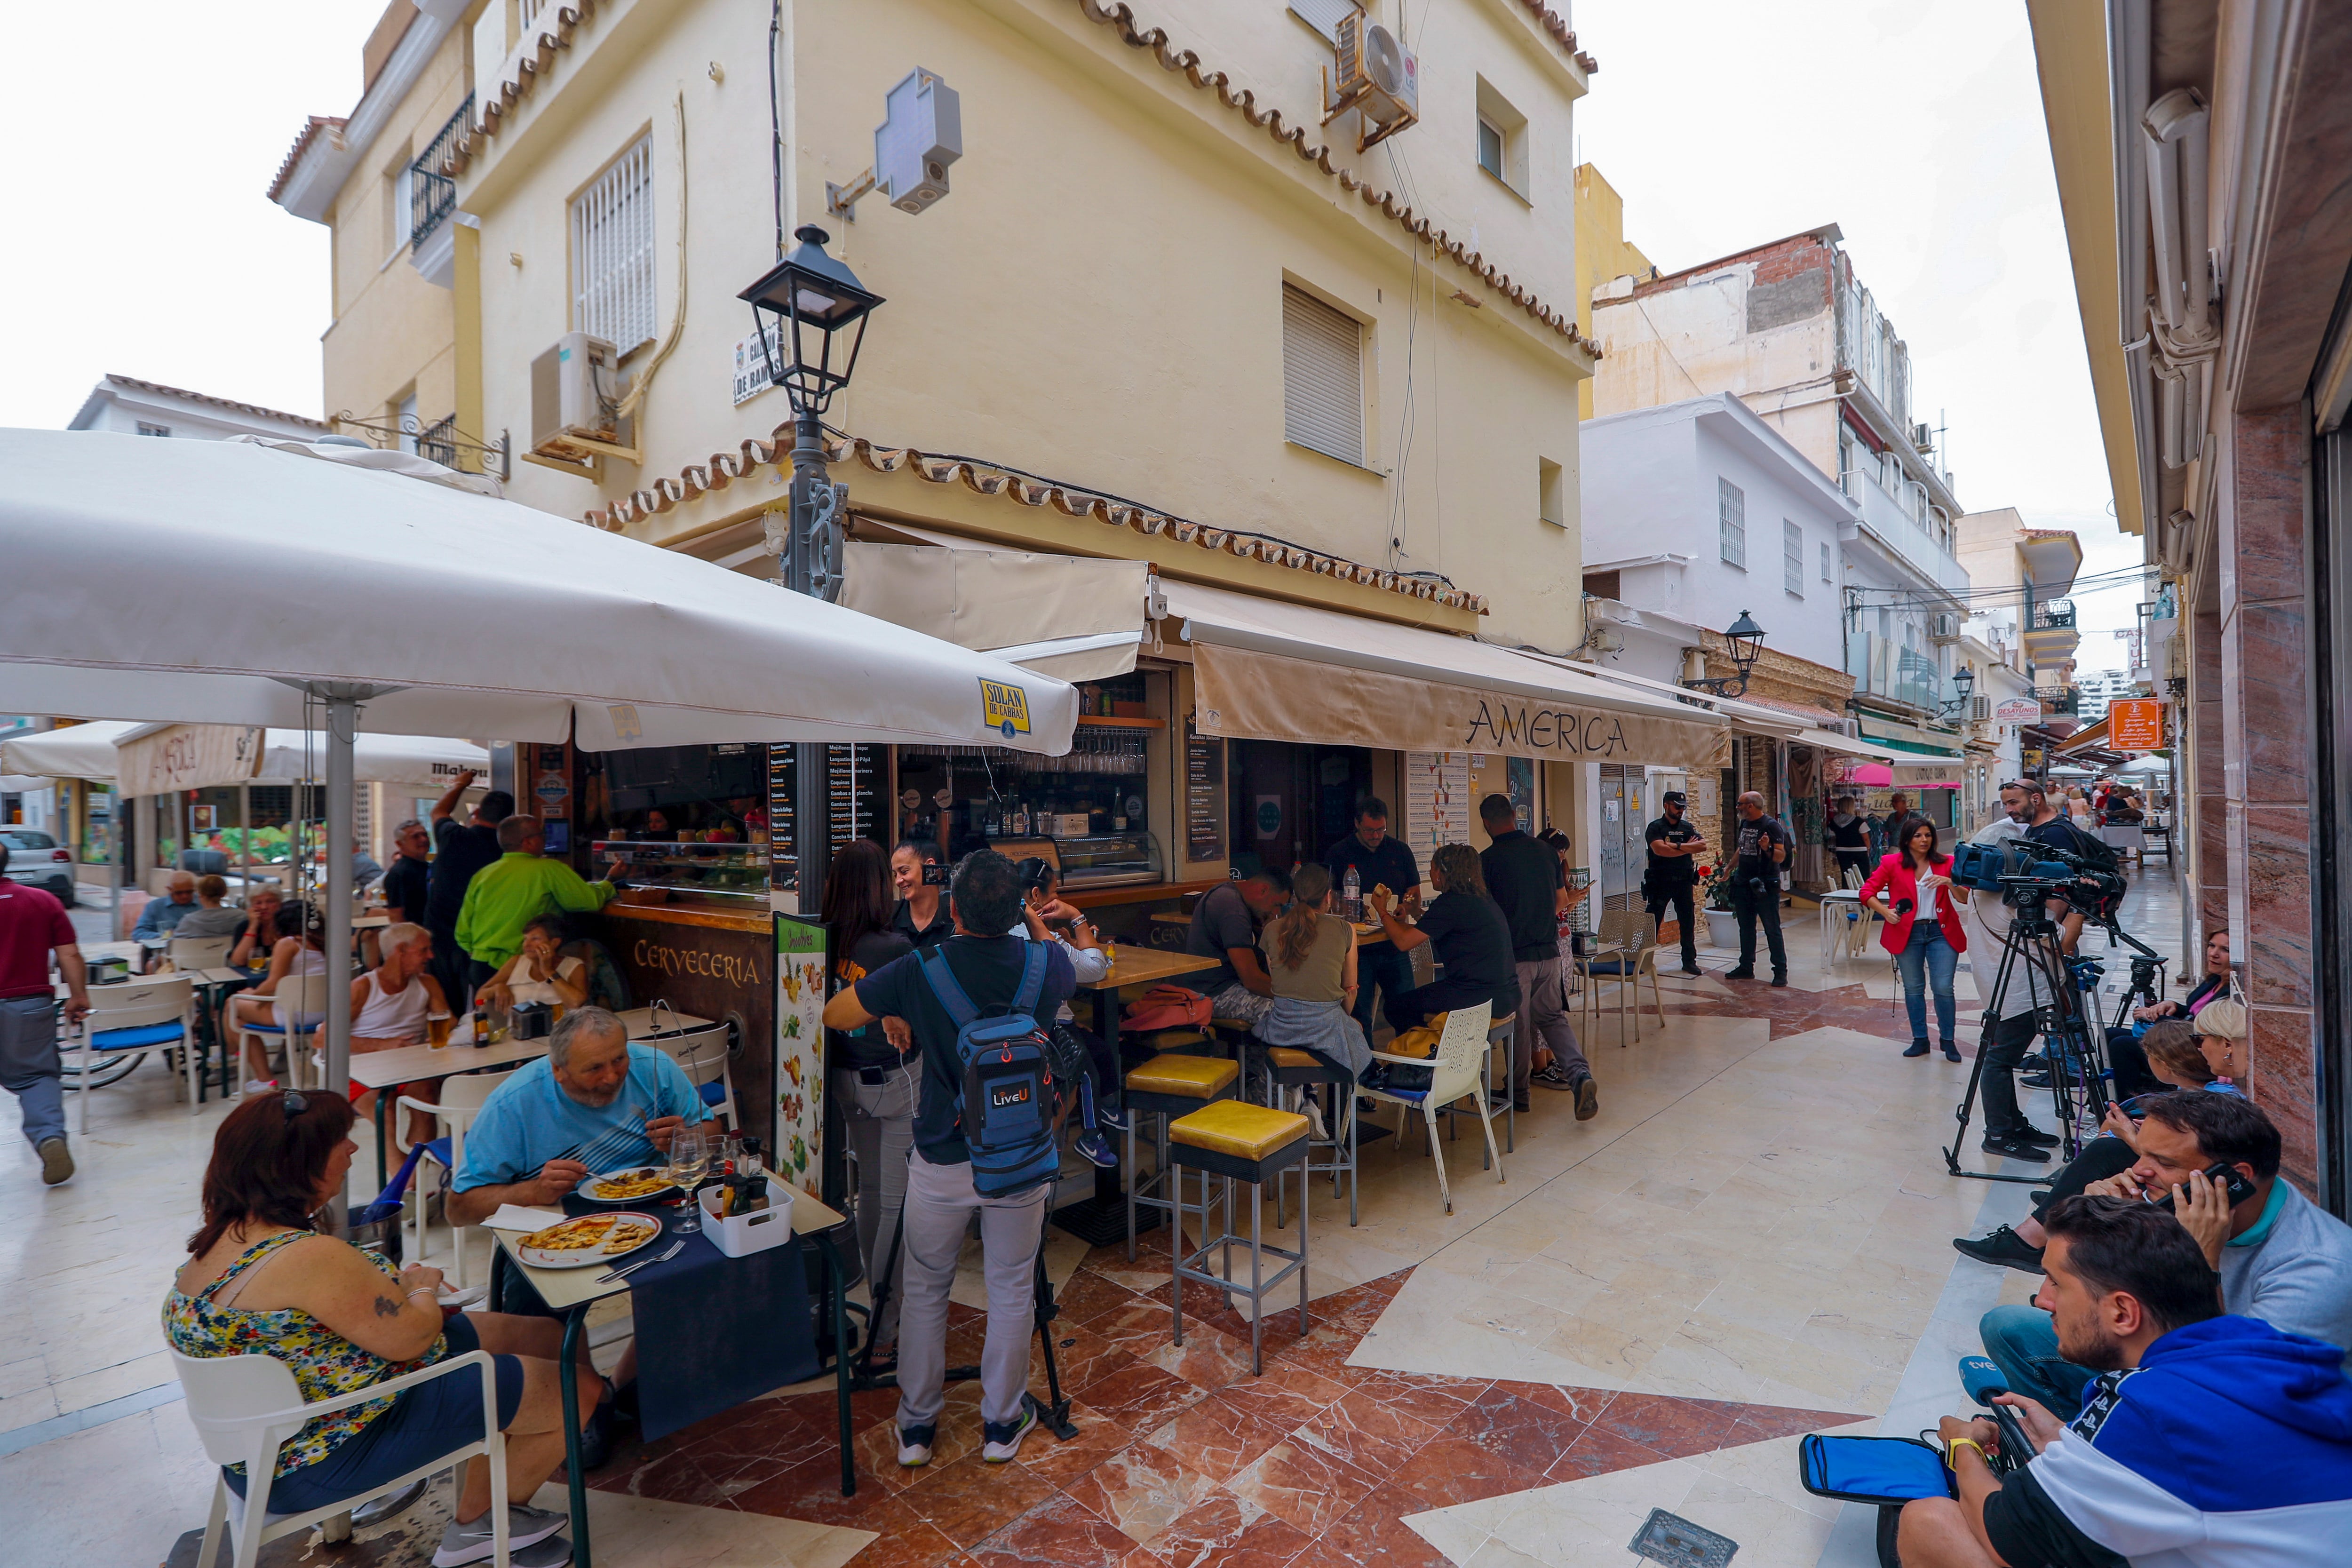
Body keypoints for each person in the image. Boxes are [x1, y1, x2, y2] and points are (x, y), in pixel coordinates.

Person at [166, 1090, 595, 1568]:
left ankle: (543, 1443)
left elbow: (318, 1318)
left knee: (545, 1338)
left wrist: (396, 1289)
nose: (352, 1150)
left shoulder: (219, 1243)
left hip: (273, 1445)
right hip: (325, 1455)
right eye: (340, 1142)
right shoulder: (305, 1255)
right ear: (298, 1163)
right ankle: (481, 1522)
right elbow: (412, 1336)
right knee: (577, 1387)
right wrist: (421, 1288)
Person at [1900, 1195, 2352, 1568]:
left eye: (2057, 1283)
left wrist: (1964, 1446)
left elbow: (2005, 1534)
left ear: (2122, 1312)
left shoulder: (2149, 1410)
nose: (2043, 1300)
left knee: (1929, 1521)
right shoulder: (2253, 1347)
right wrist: (2072, 1443)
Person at [822, 850, 1079, 1468]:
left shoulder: (919, 967)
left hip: (940, 1156)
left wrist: (891, 1011)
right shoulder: (1051, 967)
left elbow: (834, 1013)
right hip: (1021, 1157)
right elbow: (1059, 973)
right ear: (1018, 906)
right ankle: (1000, 1422)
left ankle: (915, 1428)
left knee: (926, 1286)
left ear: (955, 909)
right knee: (1013, 1286)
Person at [1977, 1092, 2352, 1420]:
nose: (2140, 1171)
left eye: (2164, 1162)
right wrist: (2101, 1226)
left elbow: (2222, 1389)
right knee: (2009, 1327)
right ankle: (2081, 1441)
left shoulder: (2319, 1268)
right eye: (2141, 1153)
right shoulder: (2177, 1202)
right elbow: (2112, 1308)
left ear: (2235, 1177)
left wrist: (2202, 1260)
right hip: (2166, 1366)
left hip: (2239, 1410)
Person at [1951, 1019, 2234, 1274]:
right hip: (2188, 1171)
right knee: (2111, 1136)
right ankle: (2064, 1199)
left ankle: (2030, 1240)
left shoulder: (2211, 1102)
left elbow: (2186, 1158)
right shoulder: (2207, 1096)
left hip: (2194, 1185)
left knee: (2107, 1149)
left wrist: (2129, 1136)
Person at [447, 1008, 706, 1229]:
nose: (612, 1077)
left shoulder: (653, 1065)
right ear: (558, 1070)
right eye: (595, 1068)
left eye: (619, 1059)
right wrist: (534, 1191)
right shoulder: (511, 1105)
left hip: (657, 1207)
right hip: (559, 1224)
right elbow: (458, 1210)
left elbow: (713, 1129)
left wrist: (687, 1140)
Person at [822, 839, 917, 1369]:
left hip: (844, 1080)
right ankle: (885, 1329)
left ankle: (873, 1303)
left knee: (870, 1192)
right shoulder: (893, 947)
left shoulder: (820, 937)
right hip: (894, 1082)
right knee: (894, 1206)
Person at [1957, 780, 2084, 1162]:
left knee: (2000, 1058)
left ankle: (2012, 1123)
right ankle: (1998, 1132)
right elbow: (2059, 941)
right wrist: (2079, 907)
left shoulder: (1984, 891)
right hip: (2019, 989)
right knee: (1998, 1061)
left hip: (2005, 985)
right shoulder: (2010, 896)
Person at [1363, 844, 1518, 1092]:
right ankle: (1434, 1059)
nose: (1431, 873)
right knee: (1417, 1003)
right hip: (1505, 994)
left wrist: (1382, 911)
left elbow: (1403, 942)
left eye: (1433, 868)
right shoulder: (1478, 897)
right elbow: (1437, 927)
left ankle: (1421, 1069)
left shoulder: (1452, 902)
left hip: (1476, 996)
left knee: (1396, 1006)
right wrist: (1415, 912)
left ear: (1442, 872)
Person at [1479, 794, 1595, 1119]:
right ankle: (1580, 1075)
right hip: (1550, 953)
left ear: (1487, 824)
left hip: (1516, 959)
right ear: (1515, 816)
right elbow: (1561, 902)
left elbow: (1487, 914)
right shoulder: (1546, 851)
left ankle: (1519, 1093)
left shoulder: (1487, 860)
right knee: (1552, 1018)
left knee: (1518, 1025)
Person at [453, 815, 617, 997]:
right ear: (528, 842)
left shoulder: (483, 874)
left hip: (481, 968)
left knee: (490, 1021)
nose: (546, 839)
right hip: (525, 966)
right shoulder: (549, 869)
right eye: (542, 834)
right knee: (536, 1021)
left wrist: (478, 952)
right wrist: (610, 881)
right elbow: (589, 901)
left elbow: (462, 932)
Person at [0, 842, 86, 1186]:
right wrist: (79, 995)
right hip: (29, 1005)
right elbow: (70, 955)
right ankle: (50, 1136)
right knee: (37, 1077)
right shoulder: (42, 901)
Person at [1255, 863, 1371, 1103]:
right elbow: (1350, 992)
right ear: (1329, 896)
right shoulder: (1346, 929)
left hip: (1282, 1028)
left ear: (1296, 895)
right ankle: (1317, 1107)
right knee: (1352, 1030)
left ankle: (1302, 1096)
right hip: (1326, 1030)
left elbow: (1279, 984)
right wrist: (1345, 1017)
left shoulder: (1271, 930)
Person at [1859, 815, 1968, 1061]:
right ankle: (1920, 1039)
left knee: (1943, 987)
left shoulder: (1947, 863)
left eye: (1928, 835)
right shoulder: (1891, 863)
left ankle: (1948, 1040)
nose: (1924, 840)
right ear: (1907, 840)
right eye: (1918, 836)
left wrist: (1950, 883)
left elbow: (1965, 897)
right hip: (1907, 933)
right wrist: (1886, 912)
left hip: (1941, 931)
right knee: (1914, 988)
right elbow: (1867, 892)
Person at [1325, 799, 1421, 1046]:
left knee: (1407, 1008)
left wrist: (1406, 906)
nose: (1376, 836)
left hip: (1393, 942)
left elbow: (1413, 893)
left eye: (1381, 830)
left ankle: (1409, 1065)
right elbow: (1328, 900)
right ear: (1357, 825)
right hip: (1357, 949)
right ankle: (1365, 1071)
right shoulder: (1339, 852)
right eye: (1369, 830)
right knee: (1360, 1013)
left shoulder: (1400, 851)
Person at [349, 922, 452, 1147]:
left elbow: (447, 1020)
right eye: (424, 950)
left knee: (427, 1095)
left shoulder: (427, 983)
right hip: (363, 1071)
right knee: (385, 1110)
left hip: (409, 1067)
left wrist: (448, 1033)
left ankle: (413, 1173)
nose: (431, 956)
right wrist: (382, 1045)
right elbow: (324, 1038)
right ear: (401, 951)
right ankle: (408, 1178)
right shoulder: (363, 987)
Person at [426, 772, 511, 1012]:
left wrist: (461, 784)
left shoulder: (454, 837)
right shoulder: (505, 851)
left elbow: (438, 812)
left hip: (440, 935)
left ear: (476, 814)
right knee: (477, 1008)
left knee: (444, 1006)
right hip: (480, 942)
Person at [230, 900, 331, 1095]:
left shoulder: (289, 943)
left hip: (297, 1014)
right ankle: (238, 1057)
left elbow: (274, 983)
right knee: (239, 1010)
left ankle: (263, 1078)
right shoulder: (325, 941)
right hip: (326, 1013)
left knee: (231, 1007)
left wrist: (254, 994)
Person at [1184, 866, 1290, 1026]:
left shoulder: (1230, 892)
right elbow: (1252, 980)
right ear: (1263, 890)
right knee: (1289, 1016)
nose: (1277, 913)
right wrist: (1295, 997)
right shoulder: (1233, 909)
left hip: (1226, 985)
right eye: (1277, 905)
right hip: (1213, 993)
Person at [1724, 791, 1791, 985]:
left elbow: (1781, 856)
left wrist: (1767, 848)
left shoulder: (1771, 826)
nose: (1737, 807)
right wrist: (1730, 867)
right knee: (1746, 928)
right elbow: (1742, 848)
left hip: (1765, 885)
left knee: (1772, 929)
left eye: (1740, 804)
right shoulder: (1745, 823)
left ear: (1751, 806)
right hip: (1743, 883)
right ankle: (1746, 967)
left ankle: (1780, 972)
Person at [1641, 791, 1705, 977]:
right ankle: (1643, 962)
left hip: (1684, 882)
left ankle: (1689, 961)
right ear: (1666, 805)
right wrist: (1687, 848)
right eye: (1677, 807)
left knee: (1687, 923)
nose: (1681, 811)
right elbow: (1661, 851)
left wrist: (1676, 846)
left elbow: (1703, 846)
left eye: (1683, 808)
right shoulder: (1655, 828)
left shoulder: (1687, 827)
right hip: (1660, 882)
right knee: (1651, 924)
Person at [477, 914, 591, 1014]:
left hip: (557, 1034)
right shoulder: (517, 962)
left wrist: (548, 972)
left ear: (554, 943)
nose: (527, 945)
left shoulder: (574, 966)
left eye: (535, 939)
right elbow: (479, 999)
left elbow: (576, 1003)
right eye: (525, 939)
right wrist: (498, 988)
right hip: (515, 1033)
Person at [887, 838, 953, 952]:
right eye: (895, 875)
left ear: (931, 867)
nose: (898, 881)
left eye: (904, 871)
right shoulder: (890, 917)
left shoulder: (955, 919)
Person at [379, 819, 431, 926]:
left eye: (425, 835)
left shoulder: (430, 868)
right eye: (416, 837)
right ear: (400, 844)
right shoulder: (399, 874)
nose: (424, 839)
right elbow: (397, 917)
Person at [228, 885, 285, 972]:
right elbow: (239, 961)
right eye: (258, 903)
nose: (264, 907)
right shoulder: (244, 926)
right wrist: (253, 926)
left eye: (270, 902)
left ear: (280, 904)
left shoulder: (288, 924)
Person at [173, 874, 247, 940]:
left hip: (198, 955)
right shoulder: (242, 917)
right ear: (224, 893)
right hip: (231, 955)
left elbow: (174, 946)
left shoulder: (188, 922)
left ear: (200, 895)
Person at [133, 870, 200, 941]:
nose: (185, 896)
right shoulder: (155, 907)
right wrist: (164, 936)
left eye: (189, 892)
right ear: (169, 889)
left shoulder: (203, 904)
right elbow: (138, 934)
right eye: (179, 893)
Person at [1826, 794, 1872, 885]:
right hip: (1859, 850)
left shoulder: (1834, 821)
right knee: (1864, 875)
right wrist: (1868, 849)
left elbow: (1831, 836)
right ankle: (1865, 893)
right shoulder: (1858, 821)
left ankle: (1846, 892)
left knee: (1846, 875)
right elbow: (1866, 838)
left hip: (1842, 850)